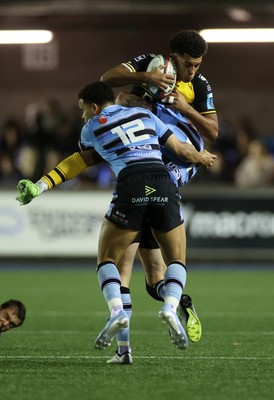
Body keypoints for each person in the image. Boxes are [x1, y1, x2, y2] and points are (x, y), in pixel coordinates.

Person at [16, 81, 216, 357]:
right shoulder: (147, 116)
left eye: (83, 109)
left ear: (94, 106)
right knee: (175, 262)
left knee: (109, 263)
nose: (82, 115)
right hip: (162, 183)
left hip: (131, 186)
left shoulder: (91, 127)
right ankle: (171, 306)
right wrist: (202, 158)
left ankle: (118, 319)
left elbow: (80, 160)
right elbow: (182, 150)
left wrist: (41, 185)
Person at [99, 29, 219, 362]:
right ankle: (176, 303)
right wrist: (143, 77)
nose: (192, 70)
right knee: (154, 278)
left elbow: (212, 132)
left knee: (117, 262)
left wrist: (185, 107)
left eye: (197, 65)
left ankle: (124, 345)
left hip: (171, 167)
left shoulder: (198, 86)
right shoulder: (150, 66)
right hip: (147, 166)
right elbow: (108, 78)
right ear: (173, 56)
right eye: (187, 64)